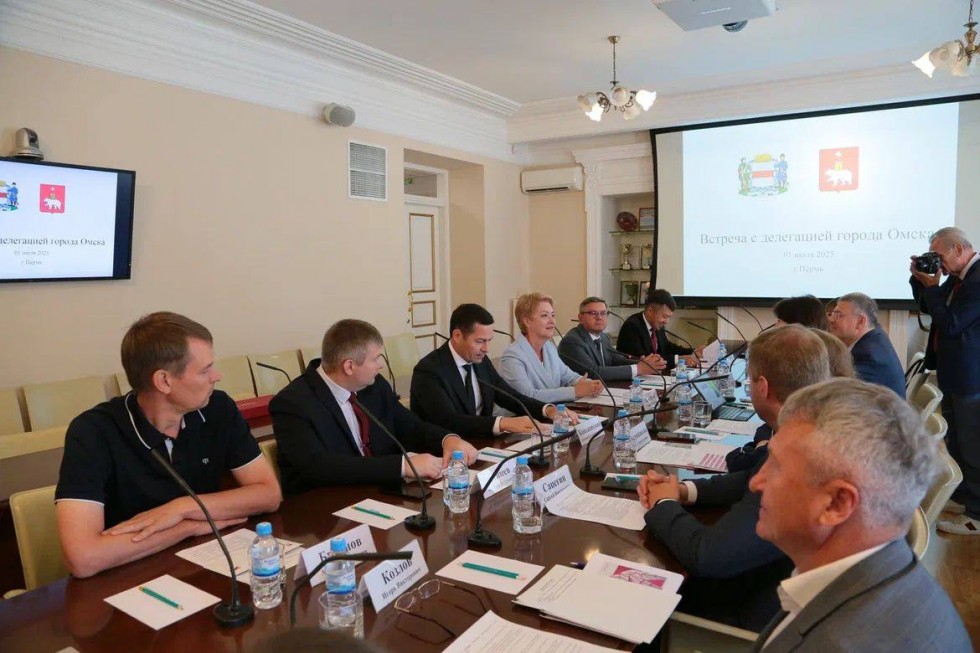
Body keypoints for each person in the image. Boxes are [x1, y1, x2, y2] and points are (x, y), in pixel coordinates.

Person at [748, 378, 971, 652]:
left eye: (775, 465)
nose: (756, 482)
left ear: (836, 504)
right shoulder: (895, 570)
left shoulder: (835, 644)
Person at [55, 312, 282, 578]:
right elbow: (83, 558)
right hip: (129, 579)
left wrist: (182, 508)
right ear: (164, 381)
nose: (217, 376)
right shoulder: (93, 432)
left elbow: (269, 494)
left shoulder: (218, 408)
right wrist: (187, 527)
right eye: (205, 370)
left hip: (205, 566)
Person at [637, 325, 831, 630]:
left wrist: (663, 504)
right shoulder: (811, 426)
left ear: (763, 387)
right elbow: (749, 479)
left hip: (759, 611)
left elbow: (708, 555)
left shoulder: (797, 456)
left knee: (642, 595)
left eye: (749, 380)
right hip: (780, 581)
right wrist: (684, 490)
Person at [270, 319, 478, 496]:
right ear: (349, 366)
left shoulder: (374, 385)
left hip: (382, 494)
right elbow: (319, 467)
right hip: (325, 508)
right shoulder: (293, 403)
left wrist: (447, 439)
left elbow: (409, 425)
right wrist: (403, 465)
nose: (381, 365)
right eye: (376, 358)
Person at [411, 303, 575, 439]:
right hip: (444, 454)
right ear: (457, 335)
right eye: (480, 341)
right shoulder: (429, 371)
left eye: (489, 340)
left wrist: (547, 410)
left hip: (483, 443)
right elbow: (448, 420)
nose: (486, 349)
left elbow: (509, 396)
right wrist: (502, 423)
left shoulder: (481, 361)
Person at [911, 226, 980, 535]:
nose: (938, 263)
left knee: (972, 445)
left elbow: (951, 324)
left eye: (939, 256)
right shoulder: (958, 276)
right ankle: (965, 496)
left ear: (958, 249)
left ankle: (977, 515)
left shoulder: (977, 279)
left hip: (971, 377)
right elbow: (931, 308)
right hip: (954, 372)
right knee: (957, 441)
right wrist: (920, 280)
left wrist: (932, 285)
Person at [498, 293, 604, 405]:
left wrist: (589, 384)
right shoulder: (512, 356)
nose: (552, 321)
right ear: (527, 322)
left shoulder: (549, 347)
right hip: (521, 415)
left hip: (553, 410)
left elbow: (567, 375)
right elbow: (527, 396)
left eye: (553, 315)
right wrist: (575, 391)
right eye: (544, 315)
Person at [557, 296, 663, 382]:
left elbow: (615, 359)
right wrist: (638, 368)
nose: (599, 317)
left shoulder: (603, 337)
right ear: (581, 318)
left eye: (603, 313)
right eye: (593, 313)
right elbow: (594, 372)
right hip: (581, 397)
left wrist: (643, 363)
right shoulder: (572, 342)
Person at [826, 292, 905, 396]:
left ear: (860, 321)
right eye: (832, 314)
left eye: (839, 315)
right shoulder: (875, 336)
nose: (831, 319)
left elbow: (842, 394)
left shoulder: (870, 358)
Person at [616, 289, 700, 372]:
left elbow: (668, 348)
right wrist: (679, 359)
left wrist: (693, 352)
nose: (666, 321)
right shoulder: (632, 326)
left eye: (669, 317)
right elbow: (647, 360)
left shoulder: (656, 325)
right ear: (650, 311)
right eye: (664, 316)